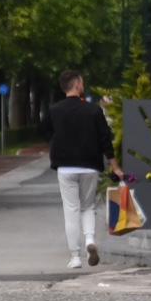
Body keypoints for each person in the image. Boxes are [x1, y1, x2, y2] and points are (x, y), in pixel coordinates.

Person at [44, 69, 123, 270]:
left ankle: (75, 257)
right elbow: (106, 140)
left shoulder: (54, 111)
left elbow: (46, 134)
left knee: (71, 210)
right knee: (88, 207)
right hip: (90, 166)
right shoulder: (94, 111)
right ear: (77, 85)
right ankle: (90, 240)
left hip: (65, 167)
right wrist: (115, 167)